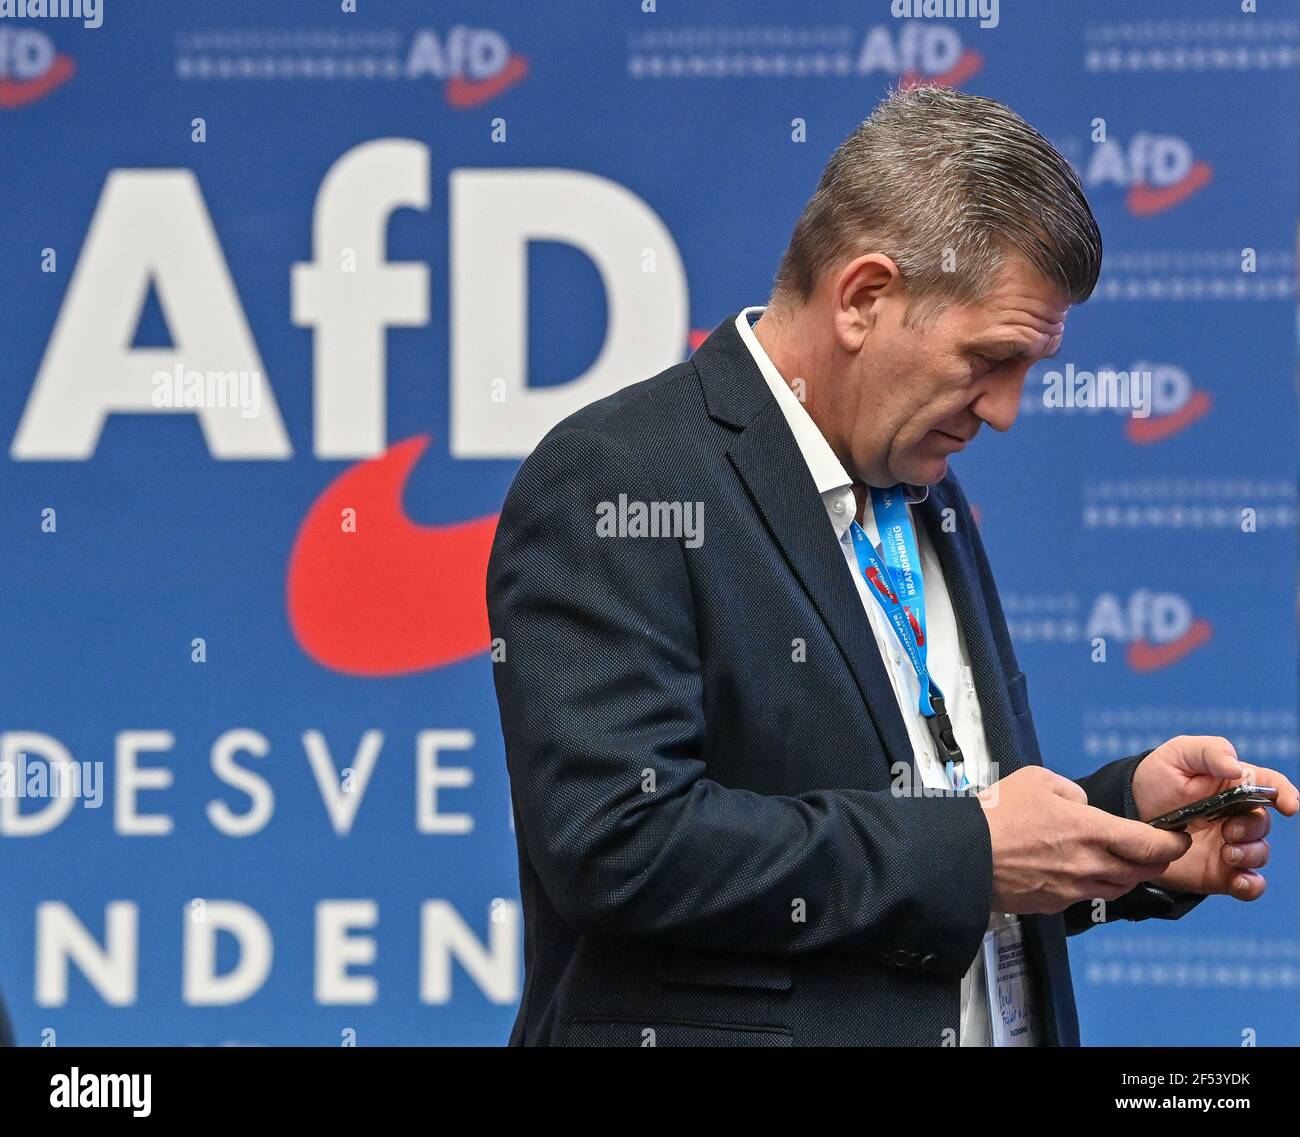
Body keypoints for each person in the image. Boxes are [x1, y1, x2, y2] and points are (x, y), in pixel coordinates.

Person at [486, 86, 1298, 1047]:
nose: (1005, 410)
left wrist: (1126, 828)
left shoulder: (923, 484)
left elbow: (938, 847)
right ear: (866, 299)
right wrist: (974, 850)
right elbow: (620, 844)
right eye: (991, 359)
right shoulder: (619, 474)